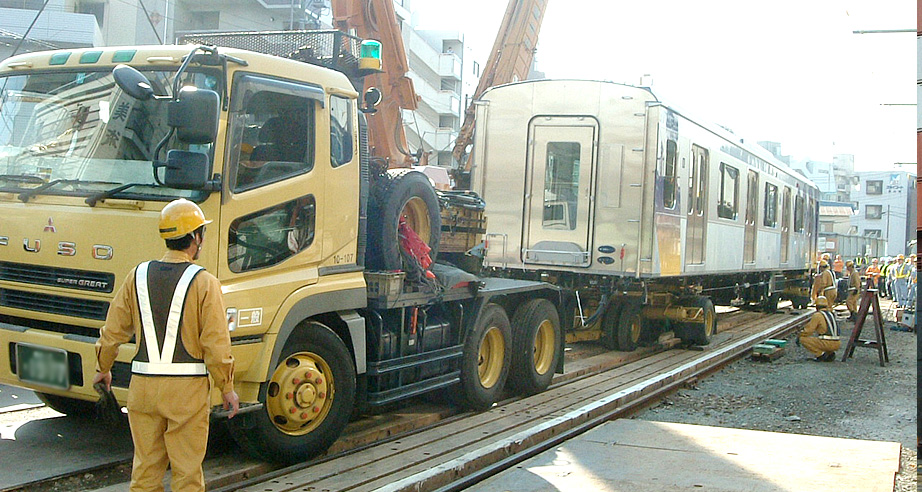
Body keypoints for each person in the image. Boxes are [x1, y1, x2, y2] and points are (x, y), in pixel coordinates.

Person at [93, 198, 239, 492]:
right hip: (185, 394)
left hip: (143, 390)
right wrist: (227, 387)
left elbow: (113, 331)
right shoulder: (204, 283)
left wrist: (102, 367)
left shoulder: (137, 275)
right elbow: (216, 345)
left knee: (145, 472)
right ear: (196, 237)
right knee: (186, 474)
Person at [799, 296, 840, 362]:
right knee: (825, 338)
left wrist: (800, 334)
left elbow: (809, 331)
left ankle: (821, 355)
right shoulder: (831, 314)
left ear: (817, 306)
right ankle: (830, 353)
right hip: (837, 343)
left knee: (803, 339)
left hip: (826, 343)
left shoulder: (817, 315)